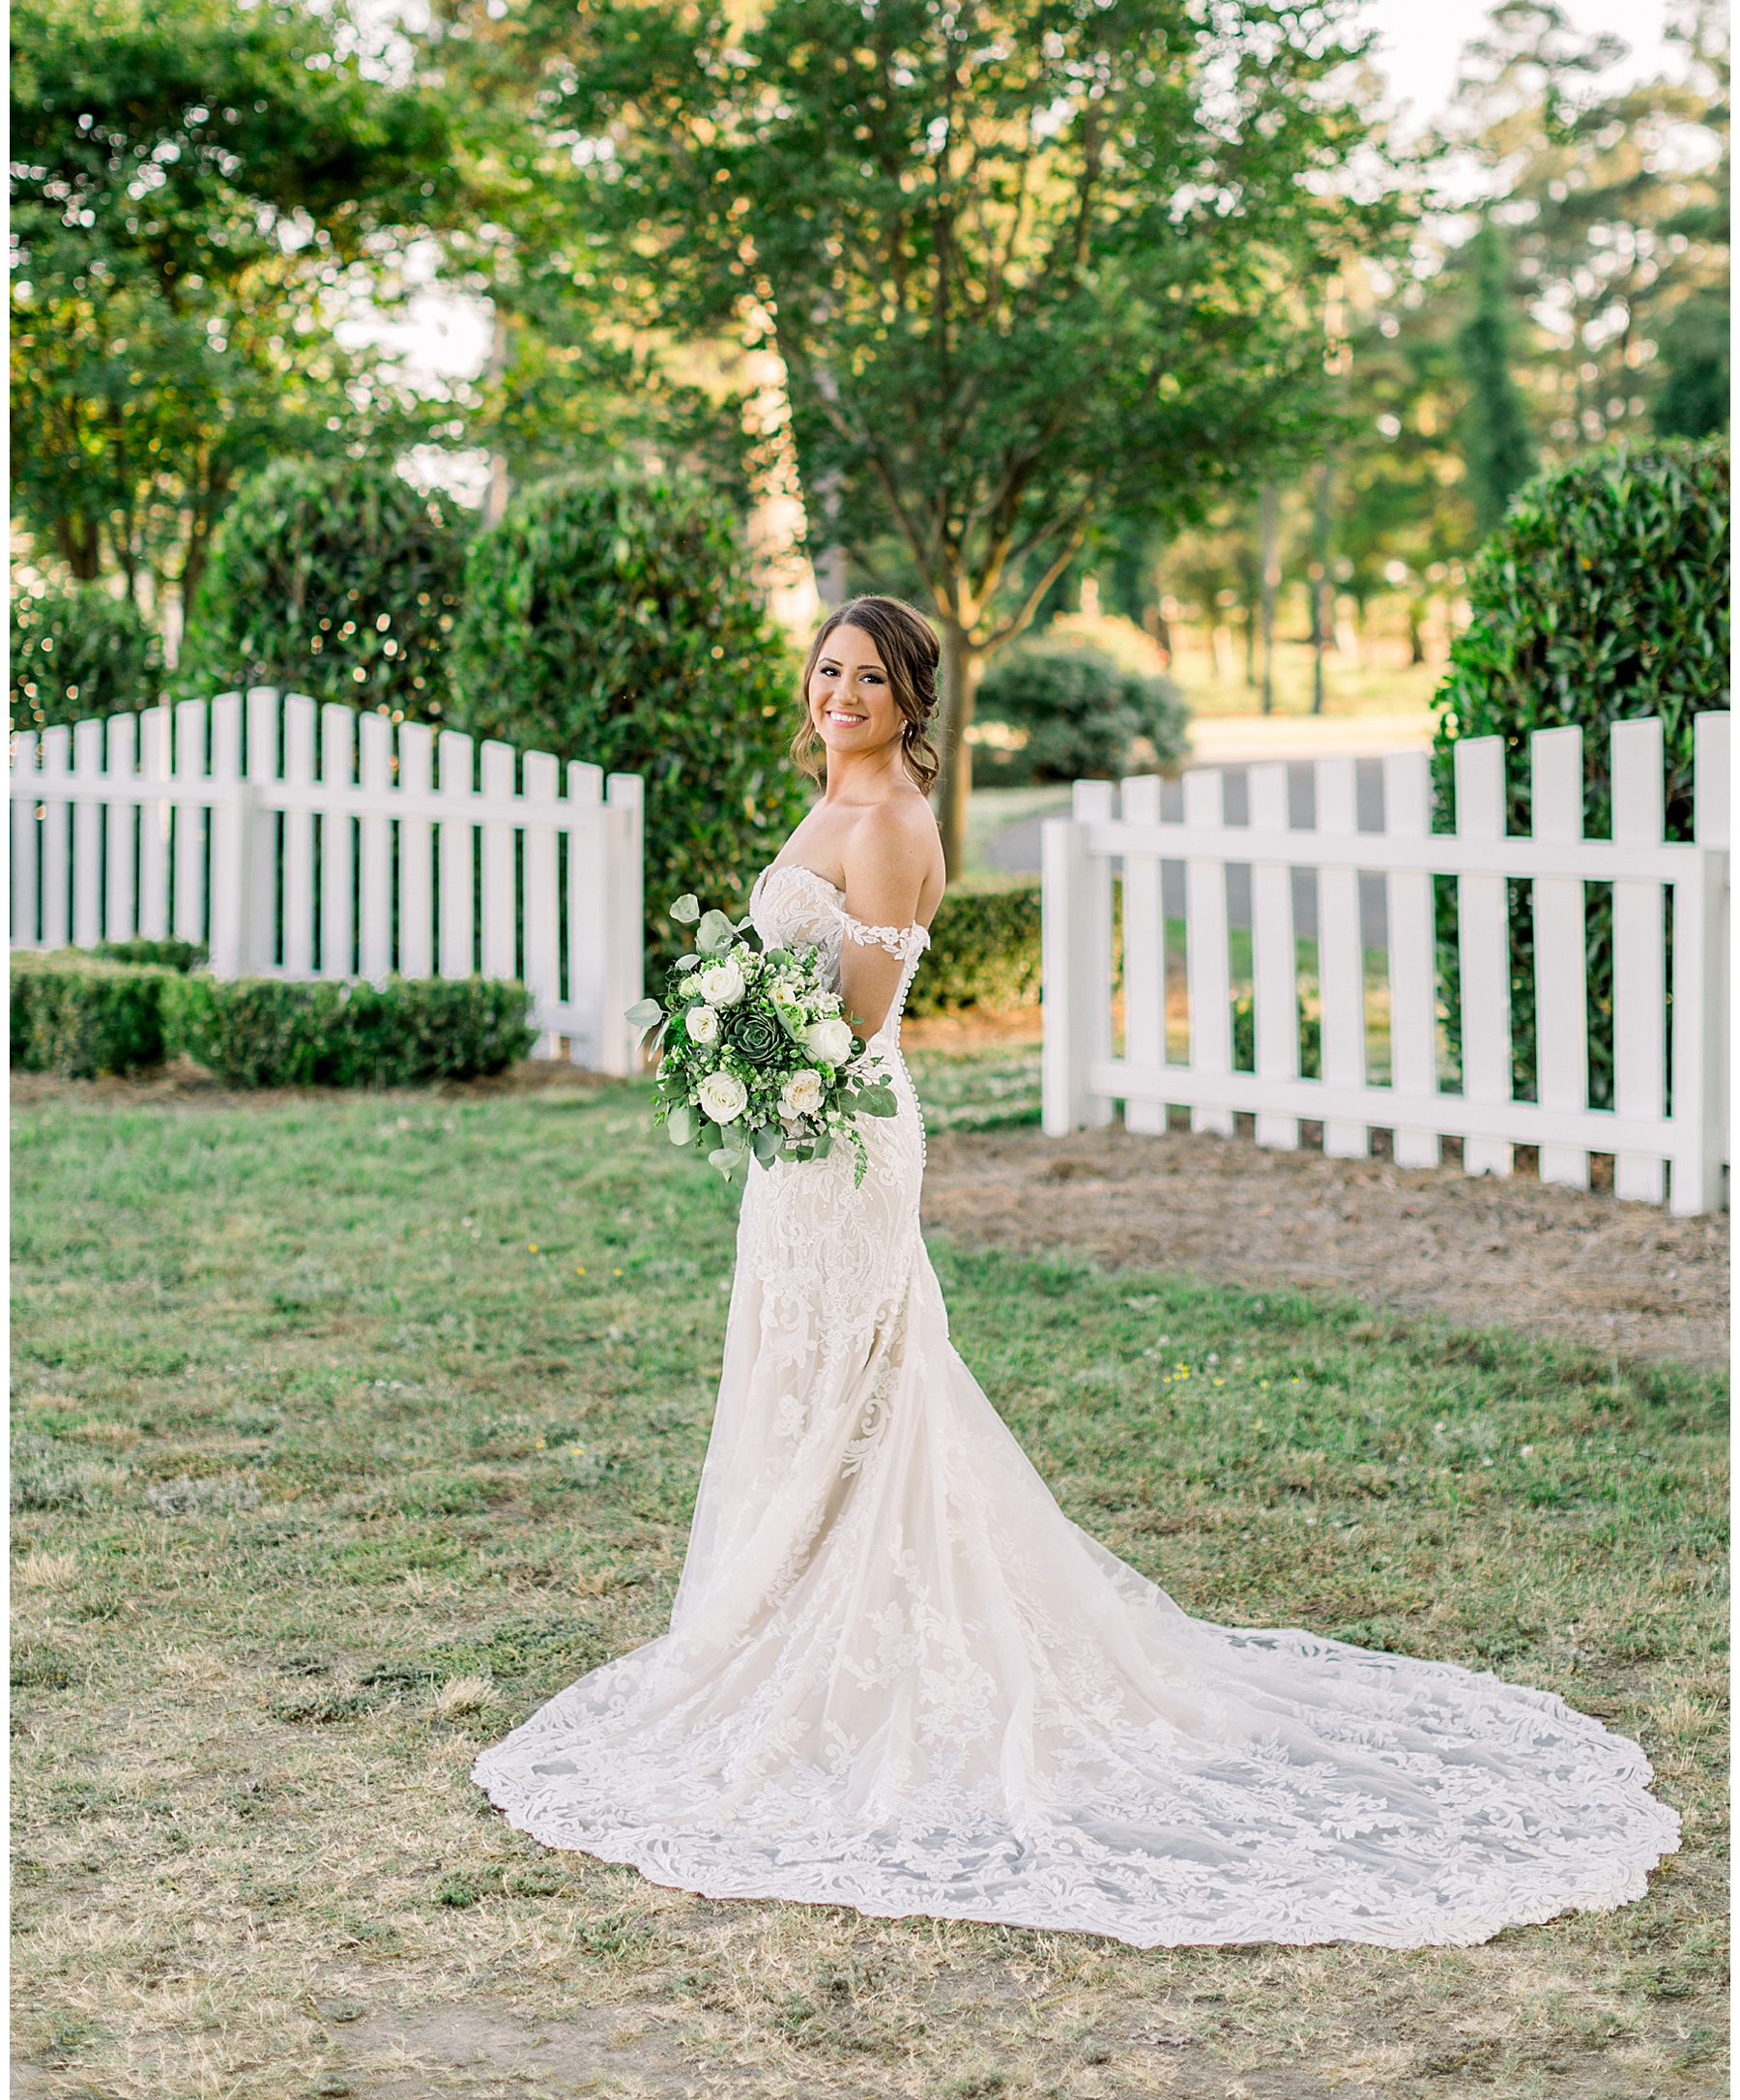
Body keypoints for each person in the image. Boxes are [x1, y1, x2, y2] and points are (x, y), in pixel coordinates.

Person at [473, 594, 1678, 1949]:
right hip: (788, 1153)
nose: (842, 693)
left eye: (869, 677)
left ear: (910, 701)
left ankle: (855, 1645)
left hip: (844, 1138)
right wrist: (722, 1039)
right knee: (797, 1373)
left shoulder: (893, 827)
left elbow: (852, 1028)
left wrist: (743, 1041)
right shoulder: (825, 801)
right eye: (827, 670)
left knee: (868, 1388)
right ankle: (776, 1608)